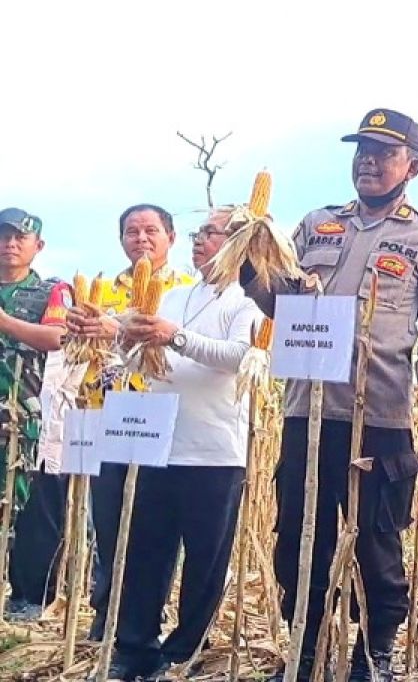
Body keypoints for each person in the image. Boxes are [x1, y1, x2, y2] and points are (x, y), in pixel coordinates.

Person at [242, 108, 418, 682]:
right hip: (307, 409)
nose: (367, 159)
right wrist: (247, 261)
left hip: (379, 412)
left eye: (384, 151)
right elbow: (276, 298)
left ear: (413, 165)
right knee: (299, 538)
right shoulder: (315, 224)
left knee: (376, 545)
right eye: (361, 148)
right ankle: (304, 651)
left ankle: (374, 652)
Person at [103, 207, 261, 680]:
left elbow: (242, 356)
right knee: (145, 553)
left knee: (205, 563)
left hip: (214, 452)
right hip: (158, 443)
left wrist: (179, 338)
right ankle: (135, 648)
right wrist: (118, 341)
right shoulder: (172, 296)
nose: (198, 242)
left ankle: (184, 653)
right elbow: (140, 358)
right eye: (198, 233)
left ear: (239, 242)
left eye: (209, 234)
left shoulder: (248, 302)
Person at [64, 203, 194, 639]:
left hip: (165, 420)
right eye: (132, 232)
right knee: (110, 521)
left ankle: (147, 617)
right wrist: (80, 327)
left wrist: (115, 328)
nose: (141, 239)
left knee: (159, 529)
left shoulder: (189, 291)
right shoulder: (100, 293)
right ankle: (107, 615)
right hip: (110, 418)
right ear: (121, 239)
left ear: (171, 238)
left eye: (151, 230)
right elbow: (78, 347)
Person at [0, 208, 71, 620]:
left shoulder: (51, 290)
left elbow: (58, 337)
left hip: (28, 417)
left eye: (19, 238)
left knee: (34, 509)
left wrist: (6, 322)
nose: (10, 244)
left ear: (37, 246)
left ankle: (31, 596)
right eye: (4, 236)